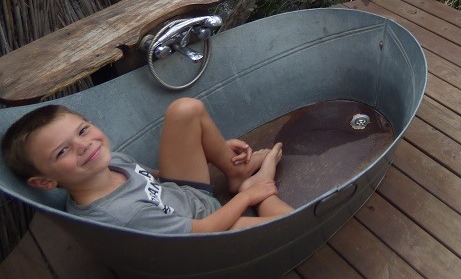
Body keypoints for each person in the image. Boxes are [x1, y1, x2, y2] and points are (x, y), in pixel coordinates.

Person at [1, 97, 293, 234]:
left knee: (185, 109)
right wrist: (248, 197)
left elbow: (151, 177)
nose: (84, 145)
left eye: (83, 130)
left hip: (179, 194)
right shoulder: (123, 215)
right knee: (288, 225)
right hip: (204, 225)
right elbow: (205, 229)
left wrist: (207, 151)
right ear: (45, 182)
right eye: (63, 151)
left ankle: (236, 172)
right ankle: (256, 188)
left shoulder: (107, 162)